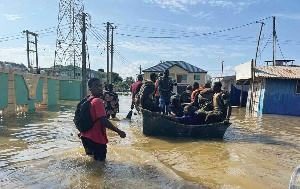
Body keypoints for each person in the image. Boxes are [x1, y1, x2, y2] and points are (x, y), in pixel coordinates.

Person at [80, 78, 126, 161]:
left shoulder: (87, 99)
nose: (100, 88)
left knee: (90, 162)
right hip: (97, 139)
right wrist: (119, 131)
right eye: (96, 86)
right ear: (90, 88)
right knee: (100, 165)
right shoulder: (97, 101)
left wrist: (81, 131)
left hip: (85, 137)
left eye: (100, 86)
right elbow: (103, 120)